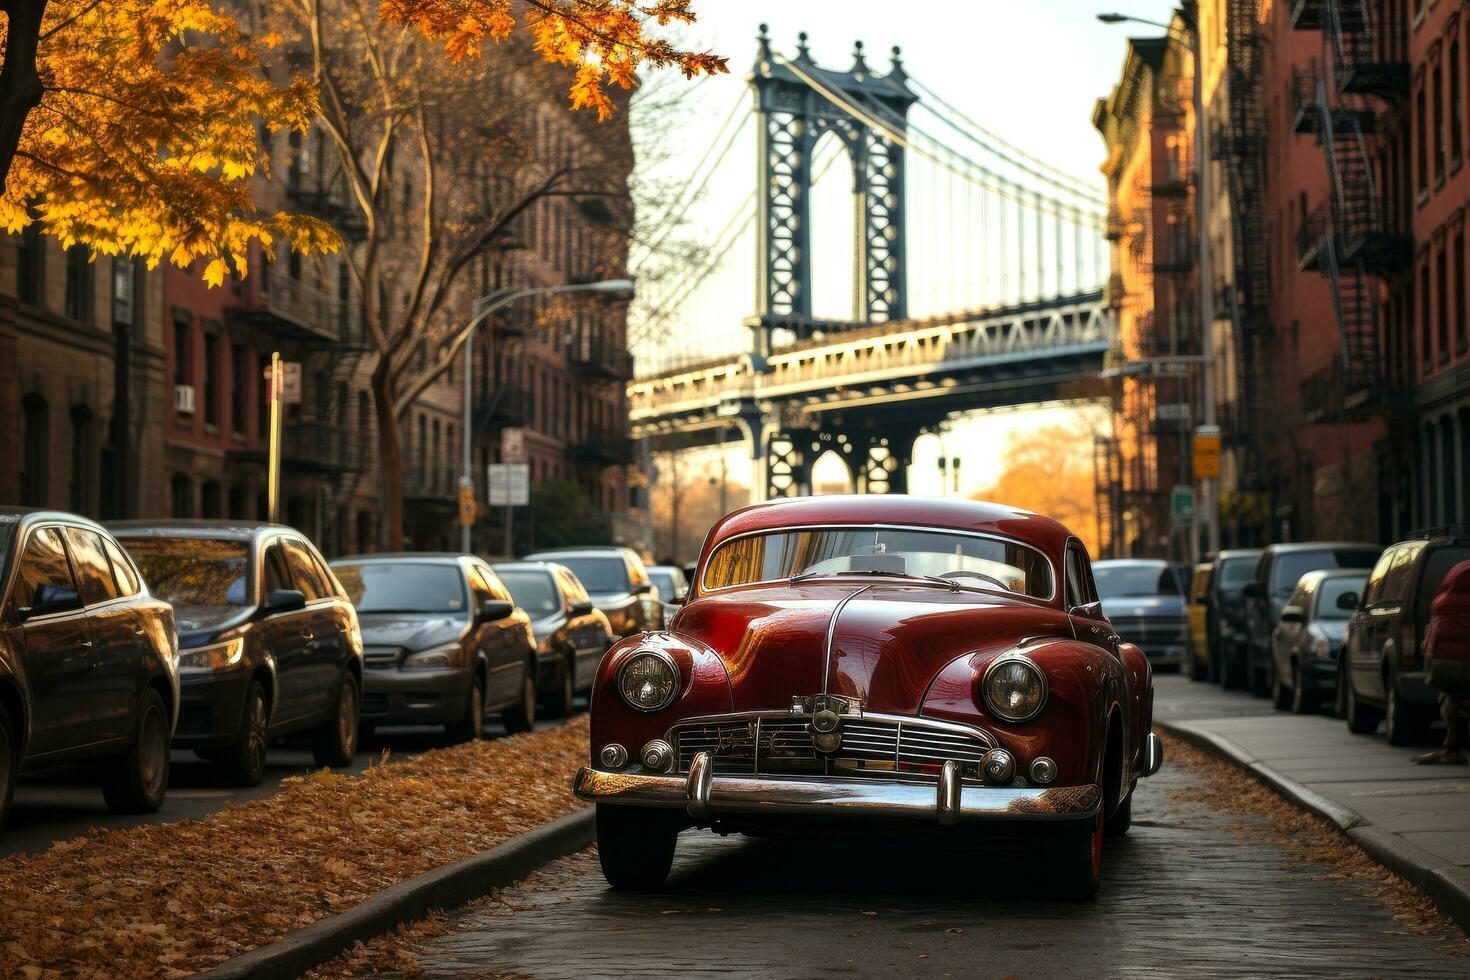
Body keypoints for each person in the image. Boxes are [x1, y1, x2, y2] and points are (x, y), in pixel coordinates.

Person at [1413, 559, 1470, 765]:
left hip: (1444, 666)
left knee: (1450, 699)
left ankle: (1452, 747)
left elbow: (1429, 641)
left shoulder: (1445, 601)